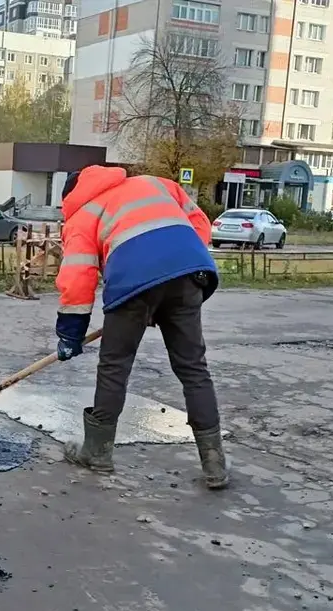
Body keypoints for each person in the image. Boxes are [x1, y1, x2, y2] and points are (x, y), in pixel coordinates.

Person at [54, 166, 228, 489]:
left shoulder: (83, 213)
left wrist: (70, 334)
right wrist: (172, 274)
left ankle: (97, 452)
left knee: (114, 366)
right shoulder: (156, 184)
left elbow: (78, 275)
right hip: (189, 272)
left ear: (69, 197)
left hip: (133, 280)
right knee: (193, 368)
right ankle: (215, 463)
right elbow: (199, 224)